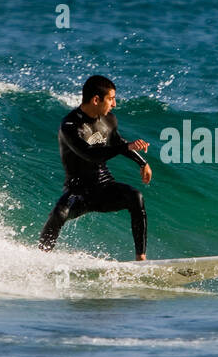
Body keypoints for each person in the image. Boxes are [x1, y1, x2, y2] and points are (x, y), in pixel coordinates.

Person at [38, 75, 152, 260]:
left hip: (104, 187)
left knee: (135, 197)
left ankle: (141, 257)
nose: (114, 104)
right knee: (59, 213)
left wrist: (142, 162)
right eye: (111, 99)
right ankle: (41, 257)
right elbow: (90, 154)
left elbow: (118, 141)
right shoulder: (70, 126)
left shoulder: (109, 120)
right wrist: (125, 147)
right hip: (79, 192)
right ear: (96, 99)